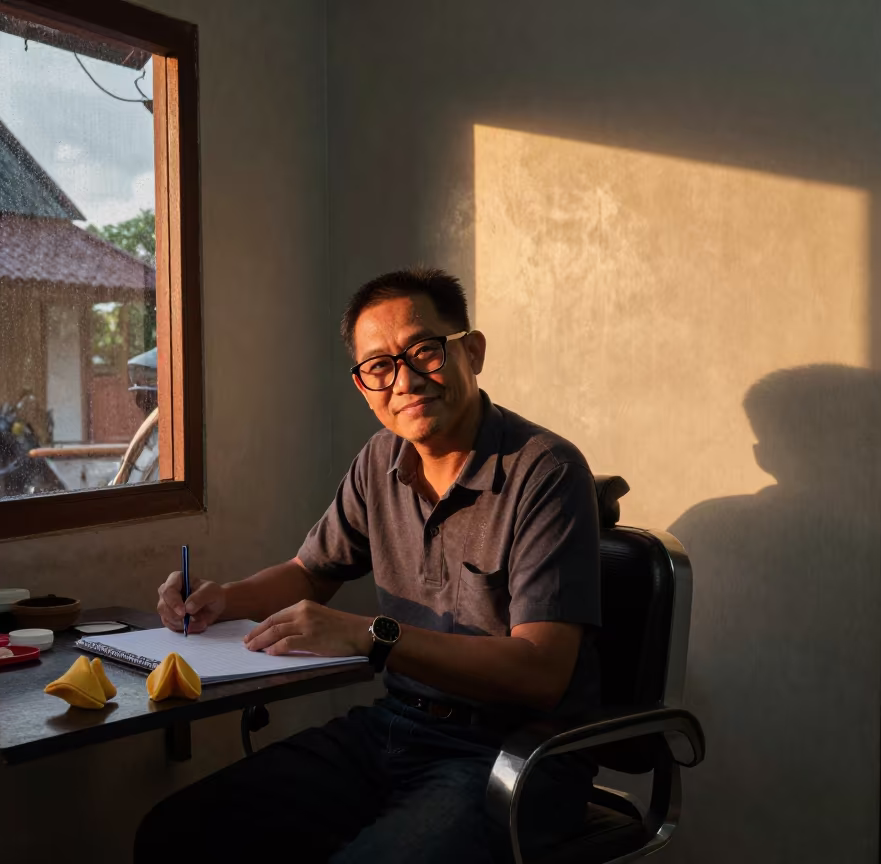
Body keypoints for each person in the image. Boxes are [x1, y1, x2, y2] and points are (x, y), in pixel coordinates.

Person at [135, 268, 602, 864]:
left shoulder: (547, 471)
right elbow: (310, 573)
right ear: (363, 386)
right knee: (177, 833)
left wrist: (368, 635)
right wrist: (225, 598)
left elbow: (541, 672)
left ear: (473, 351)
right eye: (379, 366)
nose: (404, 380)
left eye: (424, 351)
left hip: (516, 757)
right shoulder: (381, 460)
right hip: (395, 729)